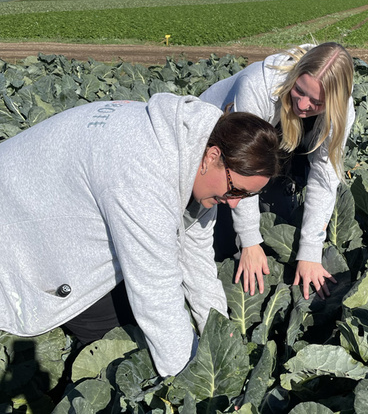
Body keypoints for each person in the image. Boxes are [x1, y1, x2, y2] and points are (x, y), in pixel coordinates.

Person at [0, 93, 281, 377]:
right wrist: (188, 380)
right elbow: (155, 289)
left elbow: (195, 253)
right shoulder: (143, 175)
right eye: (235, 190)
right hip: (19, 228)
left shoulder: (190, 147)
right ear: (212, 156)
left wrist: (219, 333)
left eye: (247, 195)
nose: (234, 203)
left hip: (51, 198)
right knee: (124, 338)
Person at [199, 42, 355, 300]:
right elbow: (240, 165)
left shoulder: (341, 111)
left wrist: (311, 252)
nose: (303, 104)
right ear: (295, 75)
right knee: (226, 239)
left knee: (278, 215)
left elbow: (324, 178)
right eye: (299, 90)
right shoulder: (257, 86)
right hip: (220, 144)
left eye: (316, 102)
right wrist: (249, 241)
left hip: (280, 138)